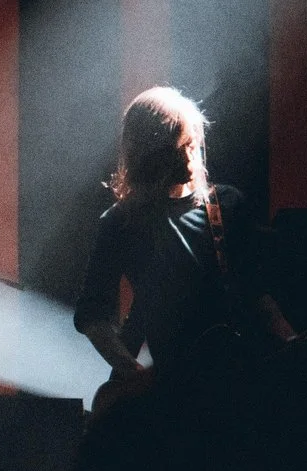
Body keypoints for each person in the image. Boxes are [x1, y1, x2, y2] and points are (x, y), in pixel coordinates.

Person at [71, 87, 293, 398]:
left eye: (193, 144)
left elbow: (258, 291)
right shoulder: (121, 222)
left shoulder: (226, 204)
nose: (192, 155)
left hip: (236, 381)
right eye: (181, 147)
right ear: (152, 156)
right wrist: (133, 374)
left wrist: (287, 334)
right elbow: (92, 316)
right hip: (172, 391)